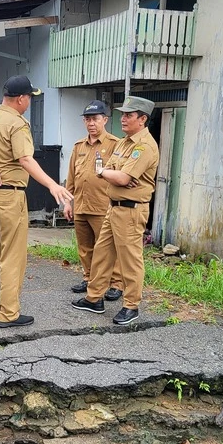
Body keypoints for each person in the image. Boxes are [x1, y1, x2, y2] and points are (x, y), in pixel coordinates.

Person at [0, 75, 73, 327]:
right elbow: (25, 159)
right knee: (12, 255)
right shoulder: (17, 123)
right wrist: (52, 185)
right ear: (21, 99)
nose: (29, 103)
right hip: (9, 196)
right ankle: (8, 313)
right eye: (29, 98)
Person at [72, 95, 159, 326]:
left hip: (131, 210)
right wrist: (111, 174)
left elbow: (119, 177)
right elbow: (110, 170)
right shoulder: (123, 143)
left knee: (130, 260)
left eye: (129, 115)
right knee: (102, 253)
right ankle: (94, 298)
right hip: (113, 207)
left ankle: (131, 305)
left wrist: (110, 174)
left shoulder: (144, 147)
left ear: (142, 119)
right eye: (123, 115)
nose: (123, 119)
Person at [64, 100, 123, 301]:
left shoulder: (115, 144)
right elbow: (71, 177)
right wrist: (67, 202)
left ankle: (115, 283)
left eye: (95, 119)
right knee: (85, 247)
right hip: (81, 205)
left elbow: (121, 174)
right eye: (87, 119)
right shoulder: (78, 146)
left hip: (103, 205)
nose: (91, 123)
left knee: (108, 247)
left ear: (104, 120)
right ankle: (89, 278)